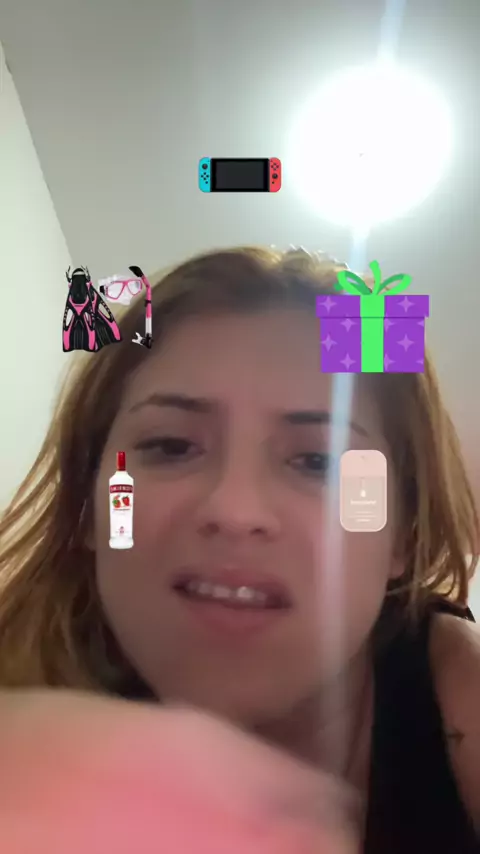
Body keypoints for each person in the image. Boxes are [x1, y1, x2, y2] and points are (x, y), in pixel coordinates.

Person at [0, 246, 479, 853]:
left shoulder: (460, 702)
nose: (235, 510)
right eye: (171, 446)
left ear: (400, 537)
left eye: (319, 461)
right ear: (90, 505)